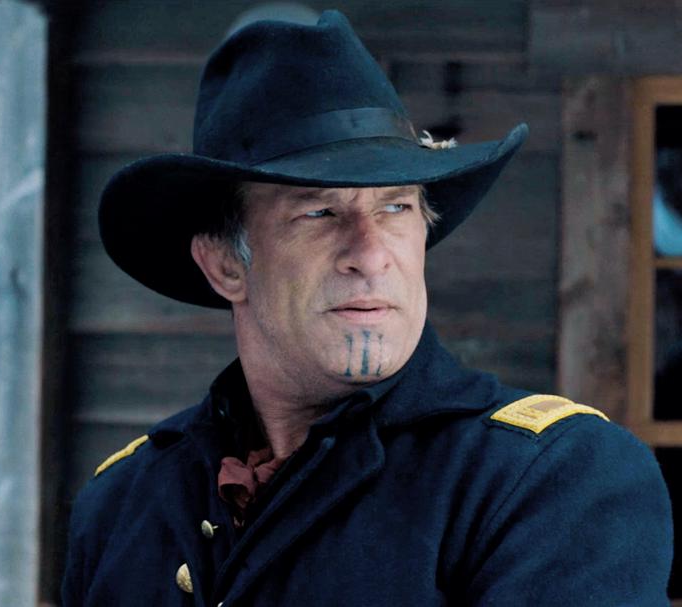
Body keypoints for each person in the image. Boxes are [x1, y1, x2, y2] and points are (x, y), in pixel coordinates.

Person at [62, 10, 673, 606]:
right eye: (319, 212)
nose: (371, 254)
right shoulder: (122, 500)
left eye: (396, 207)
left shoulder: (549, 477)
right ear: (225, 264)